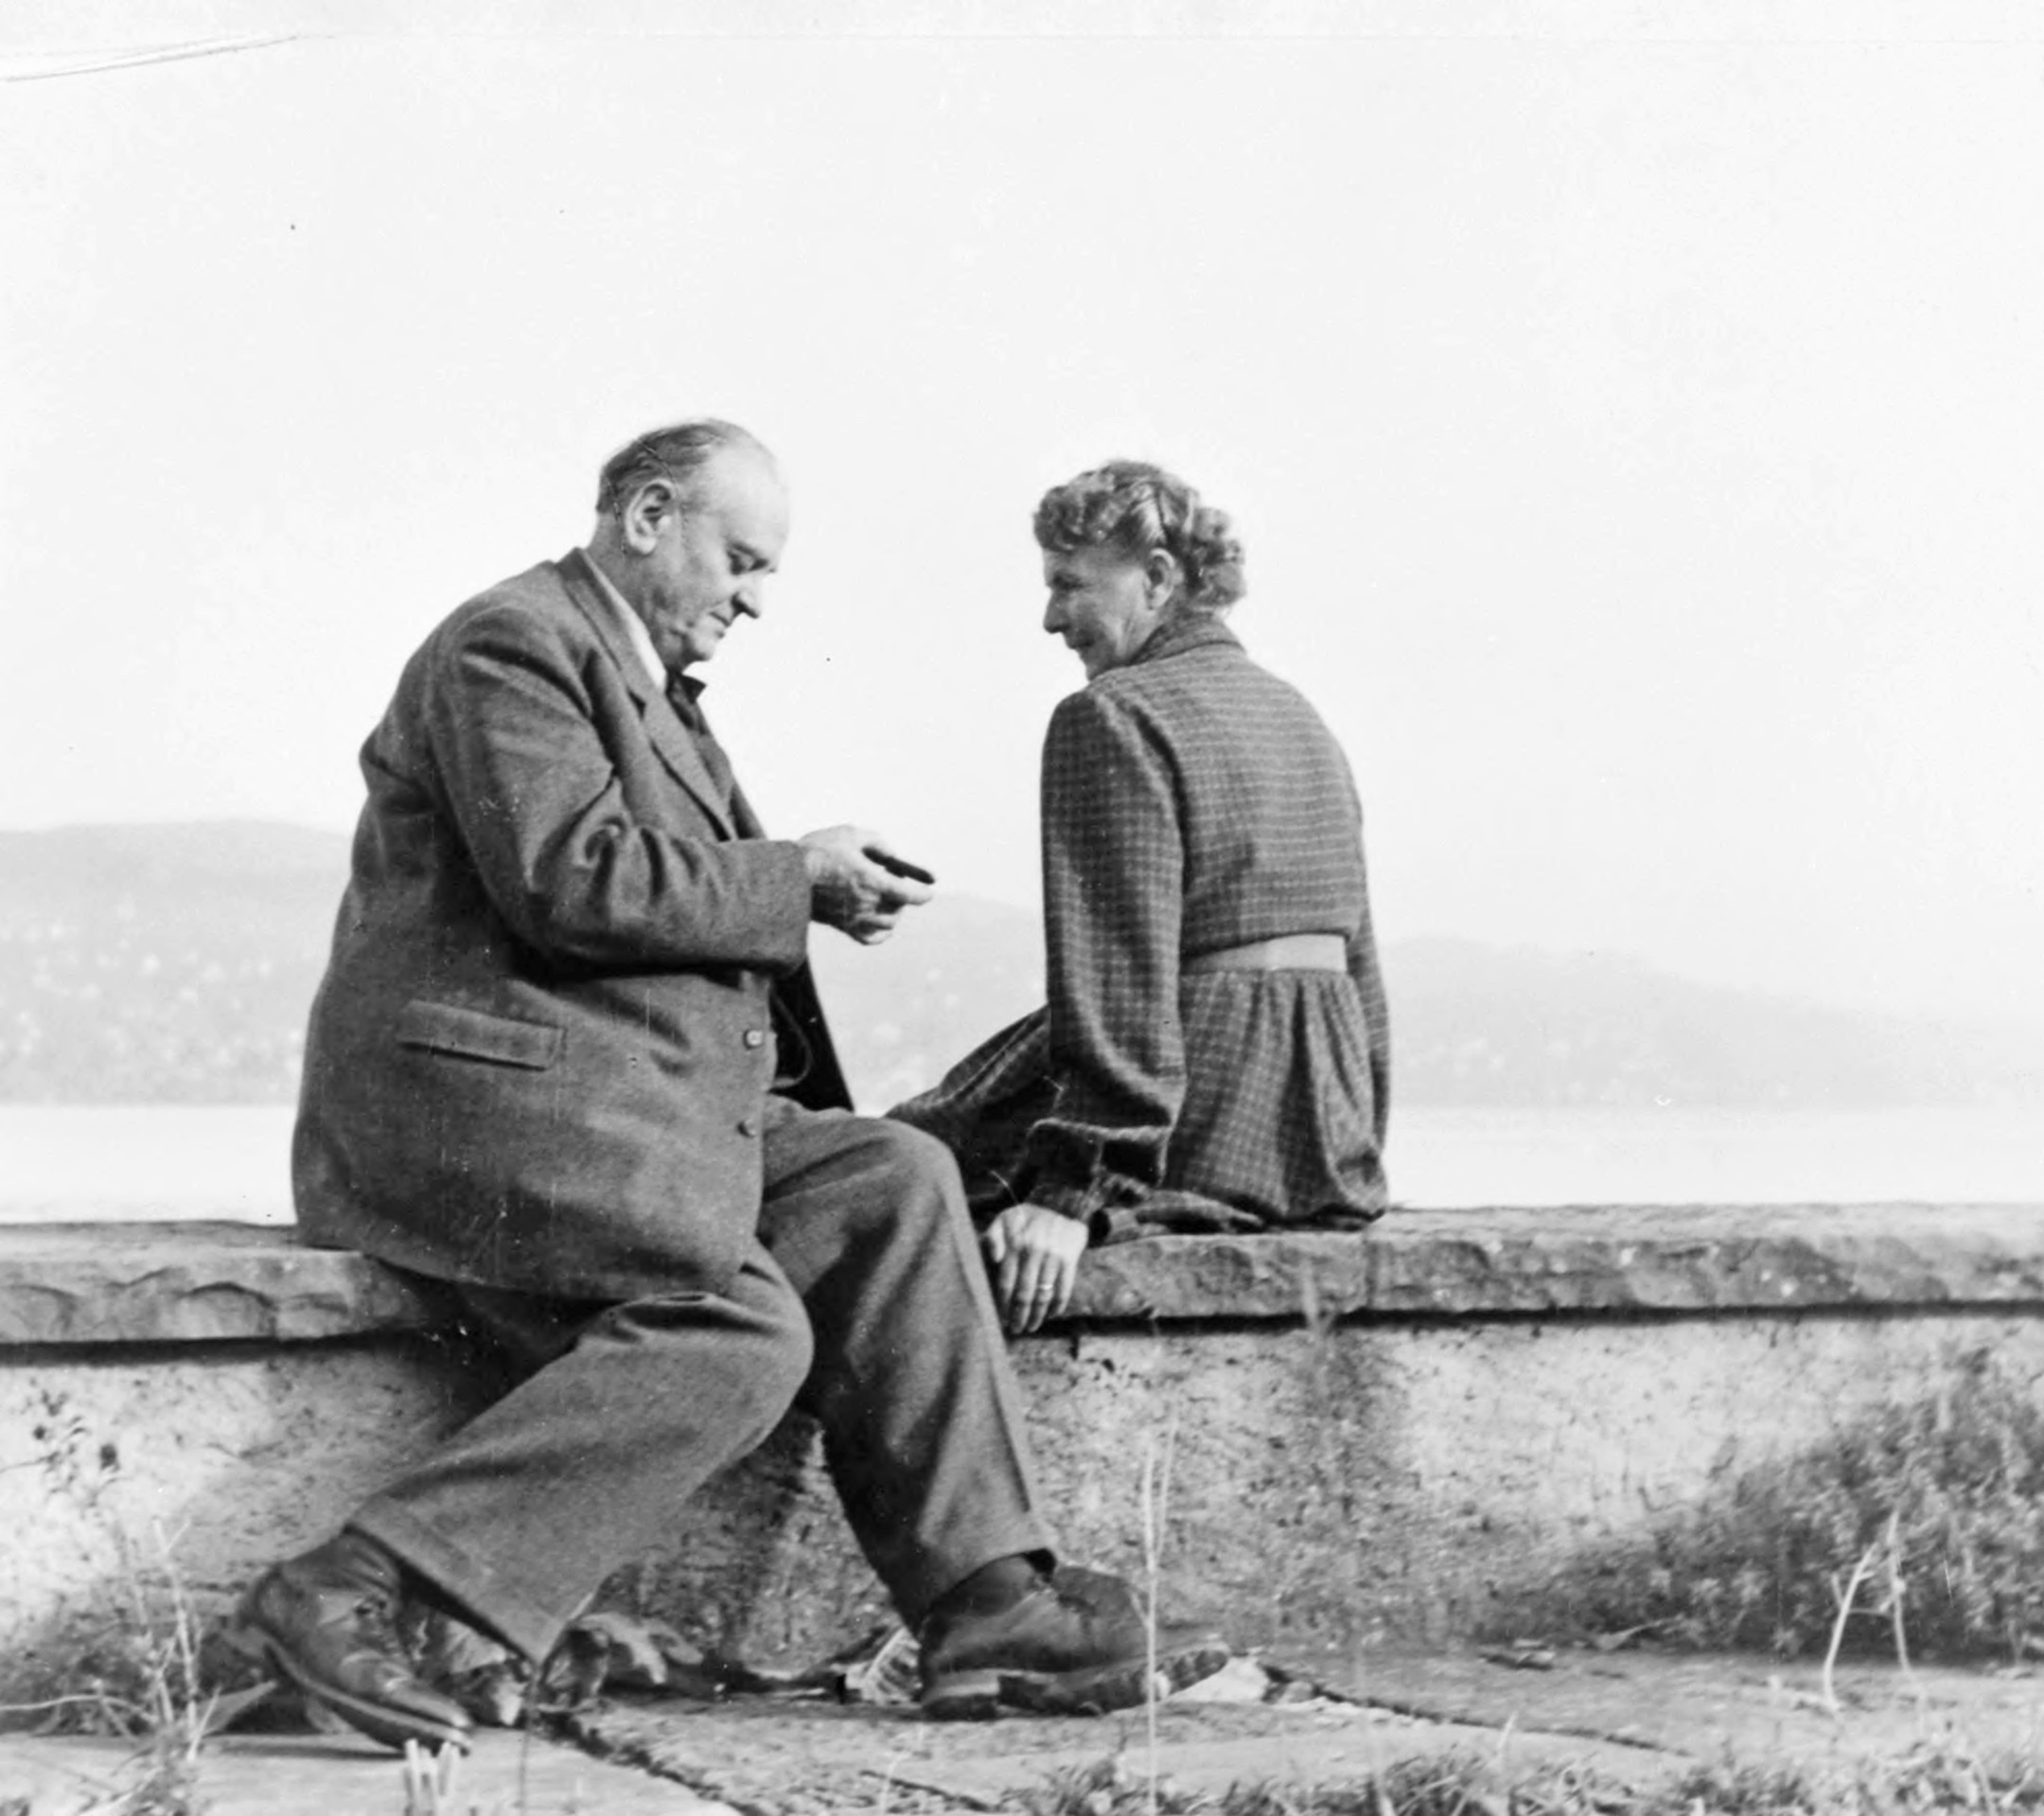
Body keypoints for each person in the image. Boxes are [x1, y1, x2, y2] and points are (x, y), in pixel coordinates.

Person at [231, 421, 1226, 1752]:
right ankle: (354, 1581)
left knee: (891, 1174)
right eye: (742, 560)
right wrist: (797, 878)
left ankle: (988, 1601)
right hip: (476, 1121)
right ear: (648, 516)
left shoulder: (641, 682)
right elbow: (570, 876)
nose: (754, 599)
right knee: (739, 1323)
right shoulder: (509, 645)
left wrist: (804, 898)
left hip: (601, 1106)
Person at [893, 460, 1391, 1335]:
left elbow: (1119, 975)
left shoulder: (1109, 714)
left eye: (1068, 585)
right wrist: (1353, 1145)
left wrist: (1075, 1189)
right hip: (1317, 1142)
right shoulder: (1300, 715)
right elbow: (1363, 971)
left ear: (1157, 578)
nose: (1051, 618)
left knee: (892, 1161)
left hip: (1196, 1109)